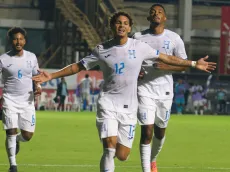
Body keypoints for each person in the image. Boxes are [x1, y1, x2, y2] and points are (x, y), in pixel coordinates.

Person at [32, 11, 216, 172]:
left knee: (122, 155)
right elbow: (78, 66)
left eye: (125, 23)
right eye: (118, 23)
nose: (121, 26)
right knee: (109, 148)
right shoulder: (102, 49)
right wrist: (51, 76)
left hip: (129, 109)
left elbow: (166, 57)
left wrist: (193, 63)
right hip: (108, 103)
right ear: (112, 26)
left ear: (129, 28)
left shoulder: (140, 47)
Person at [133, 4, 188, 171]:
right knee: (147, 132)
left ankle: (153, 159)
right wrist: (136, 72)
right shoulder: (137, 37)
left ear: (165, 18)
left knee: (160, 132)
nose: (156, 14)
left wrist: (168, 67)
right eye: (153, 12)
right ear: (148, 18)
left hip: (164, 91)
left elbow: (183, 65)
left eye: (160, 12)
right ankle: (146, 169)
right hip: (144, 89)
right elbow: (130, 60)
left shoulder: (174, 38)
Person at [1, 27, 41, 172]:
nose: (18, 41)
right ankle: (13, 165)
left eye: (21, 38)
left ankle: (18, 140)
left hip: (27, 101)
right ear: (10, 41)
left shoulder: (31, 57)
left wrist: (38, 86)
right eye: (15, 39)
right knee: (10, 131)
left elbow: (37, 76)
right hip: (9, 100)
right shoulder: (3, 59)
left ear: (24, 40)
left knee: (27, 135)